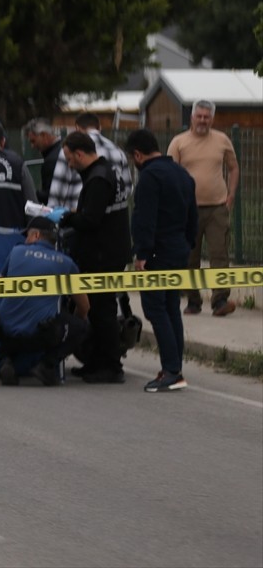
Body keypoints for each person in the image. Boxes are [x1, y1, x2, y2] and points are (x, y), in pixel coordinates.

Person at [55, 131, 132, 384]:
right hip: (109, 248)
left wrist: (65, 217)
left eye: (69, 158)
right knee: (99, 308)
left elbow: (90, 220)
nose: (68, 164)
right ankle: (96, 362)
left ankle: (110, 366)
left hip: (103, 253)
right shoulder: (107, 171)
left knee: (102, 309)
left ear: (79, 154)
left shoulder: (98, 178)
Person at [126, 129, 197, 392]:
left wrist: (142, 254)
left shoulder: (150, 177)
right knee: (170, 308)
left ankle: (171, 372)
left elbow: (146, 219)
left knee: (156, 309)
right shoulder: (182, 174)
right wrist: (187, 244)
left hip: (157, 252)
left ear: (137, 154)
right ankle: (174, 366)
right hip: (178, 249)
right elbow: (193, 216)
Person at [0, 217, 90, 386]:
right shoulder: (65, 263)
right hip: (40, 335)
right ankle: (47, 366)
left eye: (27, 236)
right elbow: (84, 306)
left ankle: (6, 361)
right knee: (82, 326)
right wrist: (71, 323)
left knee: (2, 317)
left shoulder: (16, 252)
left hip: (5, 331)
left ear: (36, 235)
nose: (25, 240)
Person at [167, 99, 240, 316]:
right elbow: (170, 175)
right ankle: (193, 301)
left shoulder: (222, 140)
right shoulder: (179, 142)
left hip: (218, 207)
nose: (202, 120)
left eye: (206, 117)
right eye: (199, 116)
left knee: (220, 254)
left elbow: (234, 168)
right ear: (191, 117)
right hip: (188, 210)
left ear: (212, 119)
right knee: (190, 257)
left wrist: (231, 195)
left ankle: (220, 301)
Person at [46, 111, 131, 213]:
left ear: (77, 128)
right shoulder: (118, 151)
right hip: (109, 218)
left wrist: (52, 214)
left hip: (78, 218)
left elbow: (58, 189)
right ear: (99, 127)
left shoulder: (70, 149)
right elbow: (127, 188)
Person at [24, 118, 62, 204]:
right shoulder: (61, 150)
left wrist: (29, 193)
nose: (32, 146)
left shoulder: (52, 160)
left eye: (33, 141)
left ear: (44, 135)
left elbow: (50, 195)